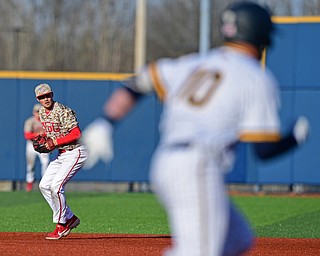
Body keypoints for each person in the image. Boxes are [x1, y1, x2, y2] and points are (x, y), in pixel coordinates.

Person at [82, 2, 309, 255]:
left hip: (166, 162)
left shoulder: (196, 63)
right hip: (197, 165)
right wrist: (295, 137)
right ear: (261, 34)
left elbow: (138, 83)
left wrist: (105, 123)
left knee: (237, 239)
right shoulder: (255, 77)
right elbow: (264, 150)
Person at [35, 83, 87, 240]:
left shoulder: (63, 110)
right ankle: (69, 217)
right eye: (42, 97)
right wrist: (46, 143)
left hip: (76, 152)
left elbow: (77, 133)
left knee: (56, 186)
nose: (46, 99)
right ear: (38, 99)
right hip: (61, 154)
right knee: (44, 185)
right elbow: (53, 136)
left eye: (48, 95)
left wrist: (54, 142)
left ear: (52, 94)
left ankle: (62, 225)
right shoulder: (42, 113)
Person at [23, 103, 50, 192]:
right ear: (33, 112)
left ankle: (44, 184)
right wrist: (38, 135)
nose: (38, 113)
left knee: (45, 163)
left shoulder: (46, 121)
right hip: (31, 145)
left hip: (43, 145)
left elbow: (49, 133)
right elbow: (27, 135)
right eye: (36, 111)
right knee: (30, 166)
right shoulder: (30, 121)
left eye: (40, 111)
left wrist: (41, 136)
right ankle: (29, 184)